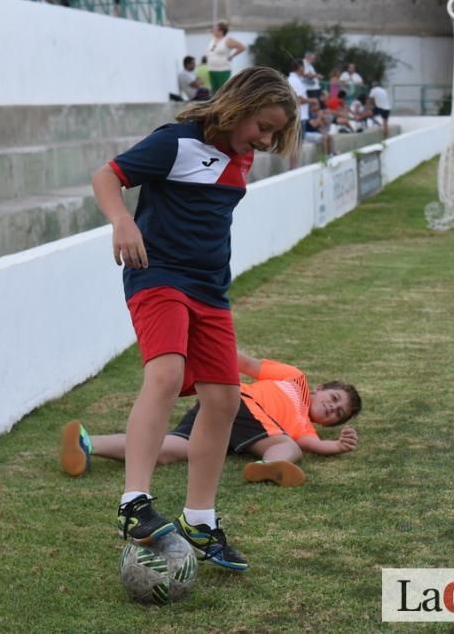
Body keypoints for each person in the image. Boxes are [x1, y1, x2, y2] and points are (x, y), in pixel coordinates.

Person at [90, 67, 300, 572]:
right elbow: (107, 177)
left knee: (225, 400)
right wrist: (122, 222)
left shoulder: (243, 154)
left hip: (211, 290)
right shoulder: (175, 141)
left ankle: (199, 520)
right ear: (240, 106)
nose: (266, 139)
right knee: (163, 373)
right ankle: (132, 504)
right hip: (157, 274)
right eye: (262, 126)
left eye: (274, 132)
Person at [60, 350, 361, 487]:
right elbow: (249, 364)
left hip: (228, 426)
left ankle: (88, 443)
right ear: (321, 388)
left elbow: (313, 444)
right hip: (240, 403)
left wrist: (337, 446)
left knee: (169, 449)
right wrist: (212, 351)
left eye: (337, 415)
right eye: (333, 399)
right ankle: (268, 466)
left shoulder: (306, 427)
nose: (331, 409)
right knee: (289, 447)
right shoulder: (296, 380)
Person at [207, 21, 246, 94]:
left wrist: (232, 56)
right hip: (212, 68)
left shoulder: (227, 40)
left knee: (222, 90)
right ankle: (215, 105)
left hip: (223, 69)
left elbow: (242, 47)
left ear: (221, 31)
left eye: (215, 29)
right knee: (214, 91)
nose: (213, 31)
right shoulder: (213, 40)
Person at [286, 60, 311, 169]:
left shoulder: (295, 80)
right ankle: (294, 167)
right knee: (296, 144)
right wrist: (311, 101)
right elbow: (297, 98)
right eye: (303, 67)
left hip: (300, 116)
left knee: (298, 143)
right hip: (298, 117)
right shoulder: (293, 80)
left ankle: (295, 166)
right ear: (300, 68)